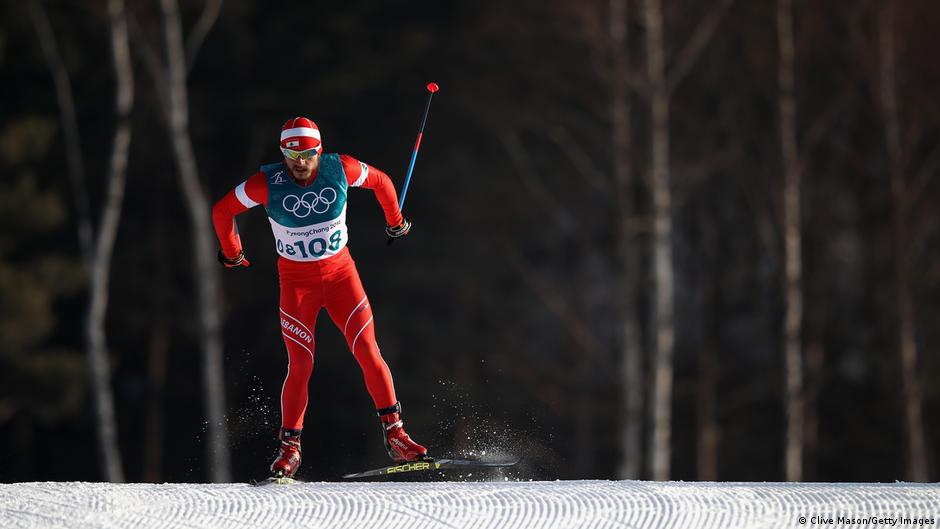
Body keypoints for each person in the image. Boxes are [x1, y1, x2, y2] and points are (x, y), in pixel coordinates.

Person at [211, 116, 427, 478]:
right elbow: (222, 210)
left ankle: (397, 435)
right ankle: (289, 450)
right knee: (300, 365)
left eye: (307, 155)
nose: (299, 163)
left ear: (318, 150)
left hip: (342, 277)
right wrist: (232, 251)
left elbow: (382, 182)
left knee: (367, 351)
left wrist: (395, 219)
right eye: (290, 155)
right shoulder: (267, 184)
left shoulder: (340, 168)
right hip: (297, 286)